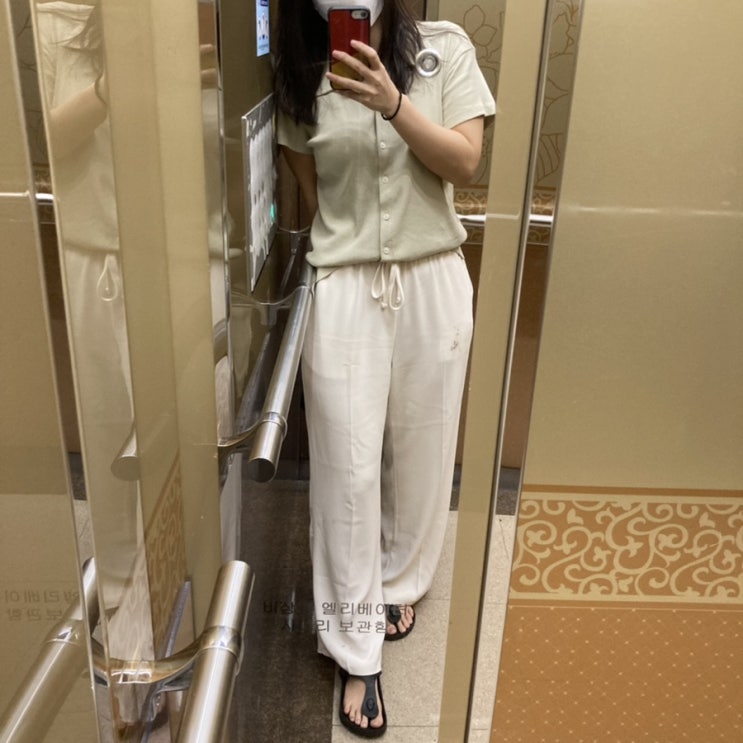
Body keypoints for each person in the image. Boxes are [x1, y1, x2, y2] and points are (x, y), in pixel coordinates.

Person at [275, 0, 495, 736]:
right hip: (344, 282)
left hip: (433, 275)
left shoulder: (443, 48)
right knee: (346, 467)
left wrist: (393, 103)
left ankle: (401, 578)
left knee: (424, 446)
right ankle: (355, 645)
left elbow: (464, 161)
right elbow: (315, 194)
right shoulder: (299, 72)